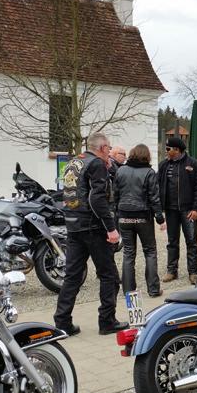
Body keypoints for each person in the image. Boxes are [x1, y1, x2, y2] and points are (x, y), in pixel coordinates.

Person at [54, 132, 125, 336]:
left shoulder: (74, 162)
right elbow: (97, 199)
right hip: (93, 227)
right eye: (109, 148)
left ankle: (62, 322)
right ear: (102, 148)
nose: (109, 152)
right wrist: (111, 228)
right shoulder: (96, 164)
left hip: (73, 225)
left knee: (72, 276)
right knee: (109, 276)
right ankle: (107, 321)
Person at [115, 144, 166, 297]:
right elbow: (154, 198)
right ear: (147, 156)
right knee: (150, 252)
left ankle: (129, 291)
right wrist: (160, 219)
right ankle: (153, 289)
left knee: (128, 253)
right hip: (143, 217)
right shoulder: (149, 172)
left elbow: (115, 195)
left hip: (124, 216)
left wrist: (117, 213)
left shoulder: (120, 170)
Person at [158, 137, 197, 285]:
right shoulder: (164, 165)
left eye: (168, 149)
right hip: (170, 210)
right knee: (172, 241)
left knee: (192, 242)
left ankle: (193, 272)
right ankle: (172, 271)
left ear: (177, 150)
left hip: (188, 210)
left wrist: (196, 208)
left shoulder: (194, 164)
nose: (166, 151)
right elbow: (158, 186)